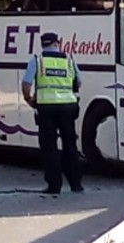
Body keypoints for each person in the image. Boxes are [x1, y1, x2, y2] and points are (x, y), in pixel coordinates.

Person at [21, 32, 84, 194]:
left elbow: (26, 83)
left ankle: (54, 185)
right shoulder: (69, 60)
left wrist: (29, 100)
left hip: (46, 108)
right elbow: (79, 81)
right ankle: (76, 184)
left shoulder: (37, 60)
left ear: (42, 44)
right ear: (58, 42)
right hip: (68, 106)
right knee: (70, 145)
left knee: (49, 147)